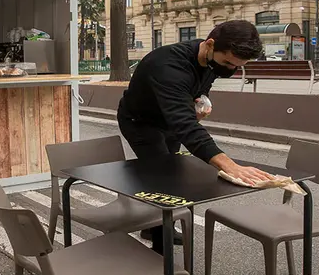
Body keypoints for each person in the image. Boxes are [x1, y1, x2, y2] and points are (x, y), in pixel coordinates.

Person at [117, 20, 274, 254]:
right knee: (163, 178)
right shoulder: (168, 65)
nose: (231, 71)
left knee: (174, 173)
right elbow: (186, 126)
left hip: (168, 121)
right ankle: (162, 254)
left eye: (237, 67)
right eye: (228, 63)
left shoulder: (210, 60)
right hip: (140, 122)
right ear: (209, 44)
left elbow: (197, 89)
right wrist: (229, 166)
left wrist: (199, 100)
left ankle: (153, 227)